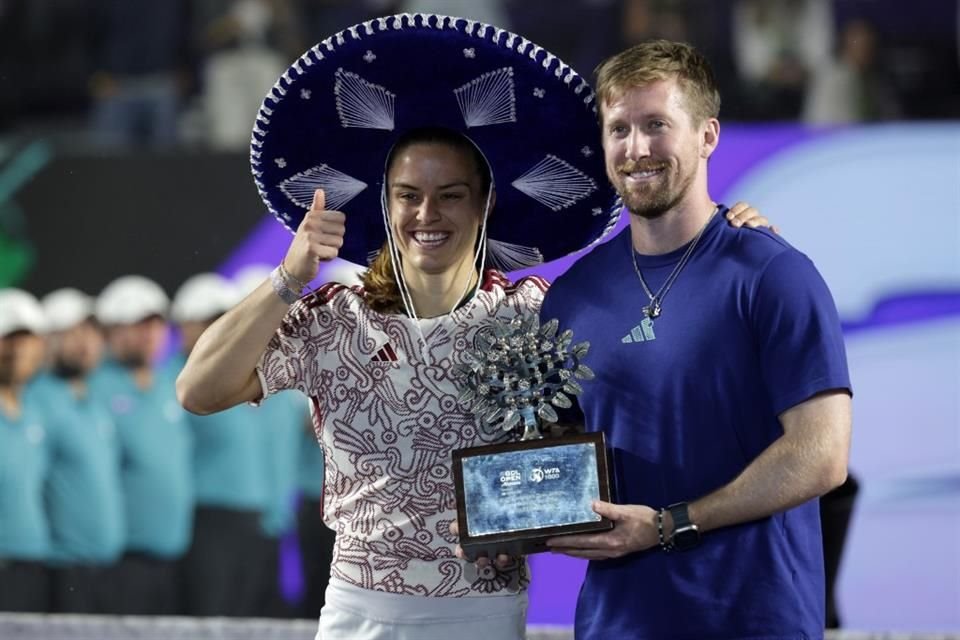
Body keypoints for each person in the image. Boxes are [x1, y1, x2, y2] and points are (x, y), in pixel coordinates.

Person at [177, 15, 771, 639]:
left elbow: (654, 360)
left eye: (450, 195)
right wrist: (289, 276)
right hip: (356, 615)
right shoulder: (332, 318)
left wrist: (728, 244)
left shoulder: (536, 312)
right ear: (385, 203)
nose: (426, 214)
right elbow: (198, 390)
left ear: (486, 202)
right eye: (408, 195)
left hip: (484, 615)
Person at [540, 40, 853, 639]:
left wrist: (667, 524)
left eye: (657, 125)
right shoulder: (572, 296)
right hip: (618, 624)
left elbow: (823, 456)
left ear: (708, 136)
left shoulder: (773, 274)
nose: (637, 149)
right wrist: (504, 528)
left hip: (755, 621)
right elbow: (554, 452)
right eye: (619, 129)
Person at [89, 275, 193, 615]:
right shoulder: (93, 388)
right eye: (136, 325)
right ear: (110, 331)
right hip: (119, 560)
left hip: (172, 556)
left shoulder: (171, 384)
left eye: (155, 324)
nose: (149, 335)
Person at [168, 273, 270, 616]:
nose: (216, 331)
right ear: (184, 326)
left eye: (221, 321)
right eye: (207, 321)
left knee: (245, 617)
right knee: (209, 617)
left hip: (252, 518)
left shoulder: (243, 374)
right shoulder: (172, 379)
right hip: (207, 517)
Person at [30, 288, 124, 614]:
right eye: (71, 332)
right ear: (46, 340)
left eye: (91, 331)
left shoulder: (94, 400)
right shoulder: (35, 400)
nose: (85, 342)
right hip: (59, 568)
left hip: (105, 566)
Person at [0, 289, 50, 612]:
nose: (18, 350)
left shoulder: (35, 407)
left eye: (26, 340)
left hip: (32, 564)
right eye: (9, 339)